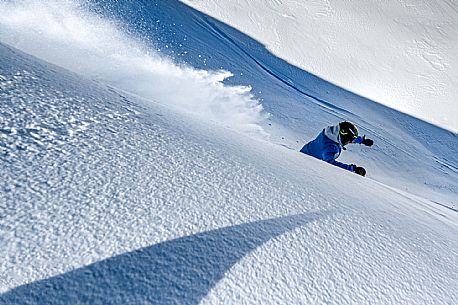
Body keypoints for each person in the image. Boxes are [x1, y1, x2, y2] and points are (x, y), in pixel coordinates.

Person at [300, 121, 373, 176]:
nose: (348, 142)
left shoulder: (333, 133)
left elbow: (347, 136)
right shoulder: (328, 147)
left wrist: (362, 141)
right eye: (348, 140)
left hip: (307, 151)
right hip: (306, 162)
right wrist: (353, 169)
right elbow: (331, 163)